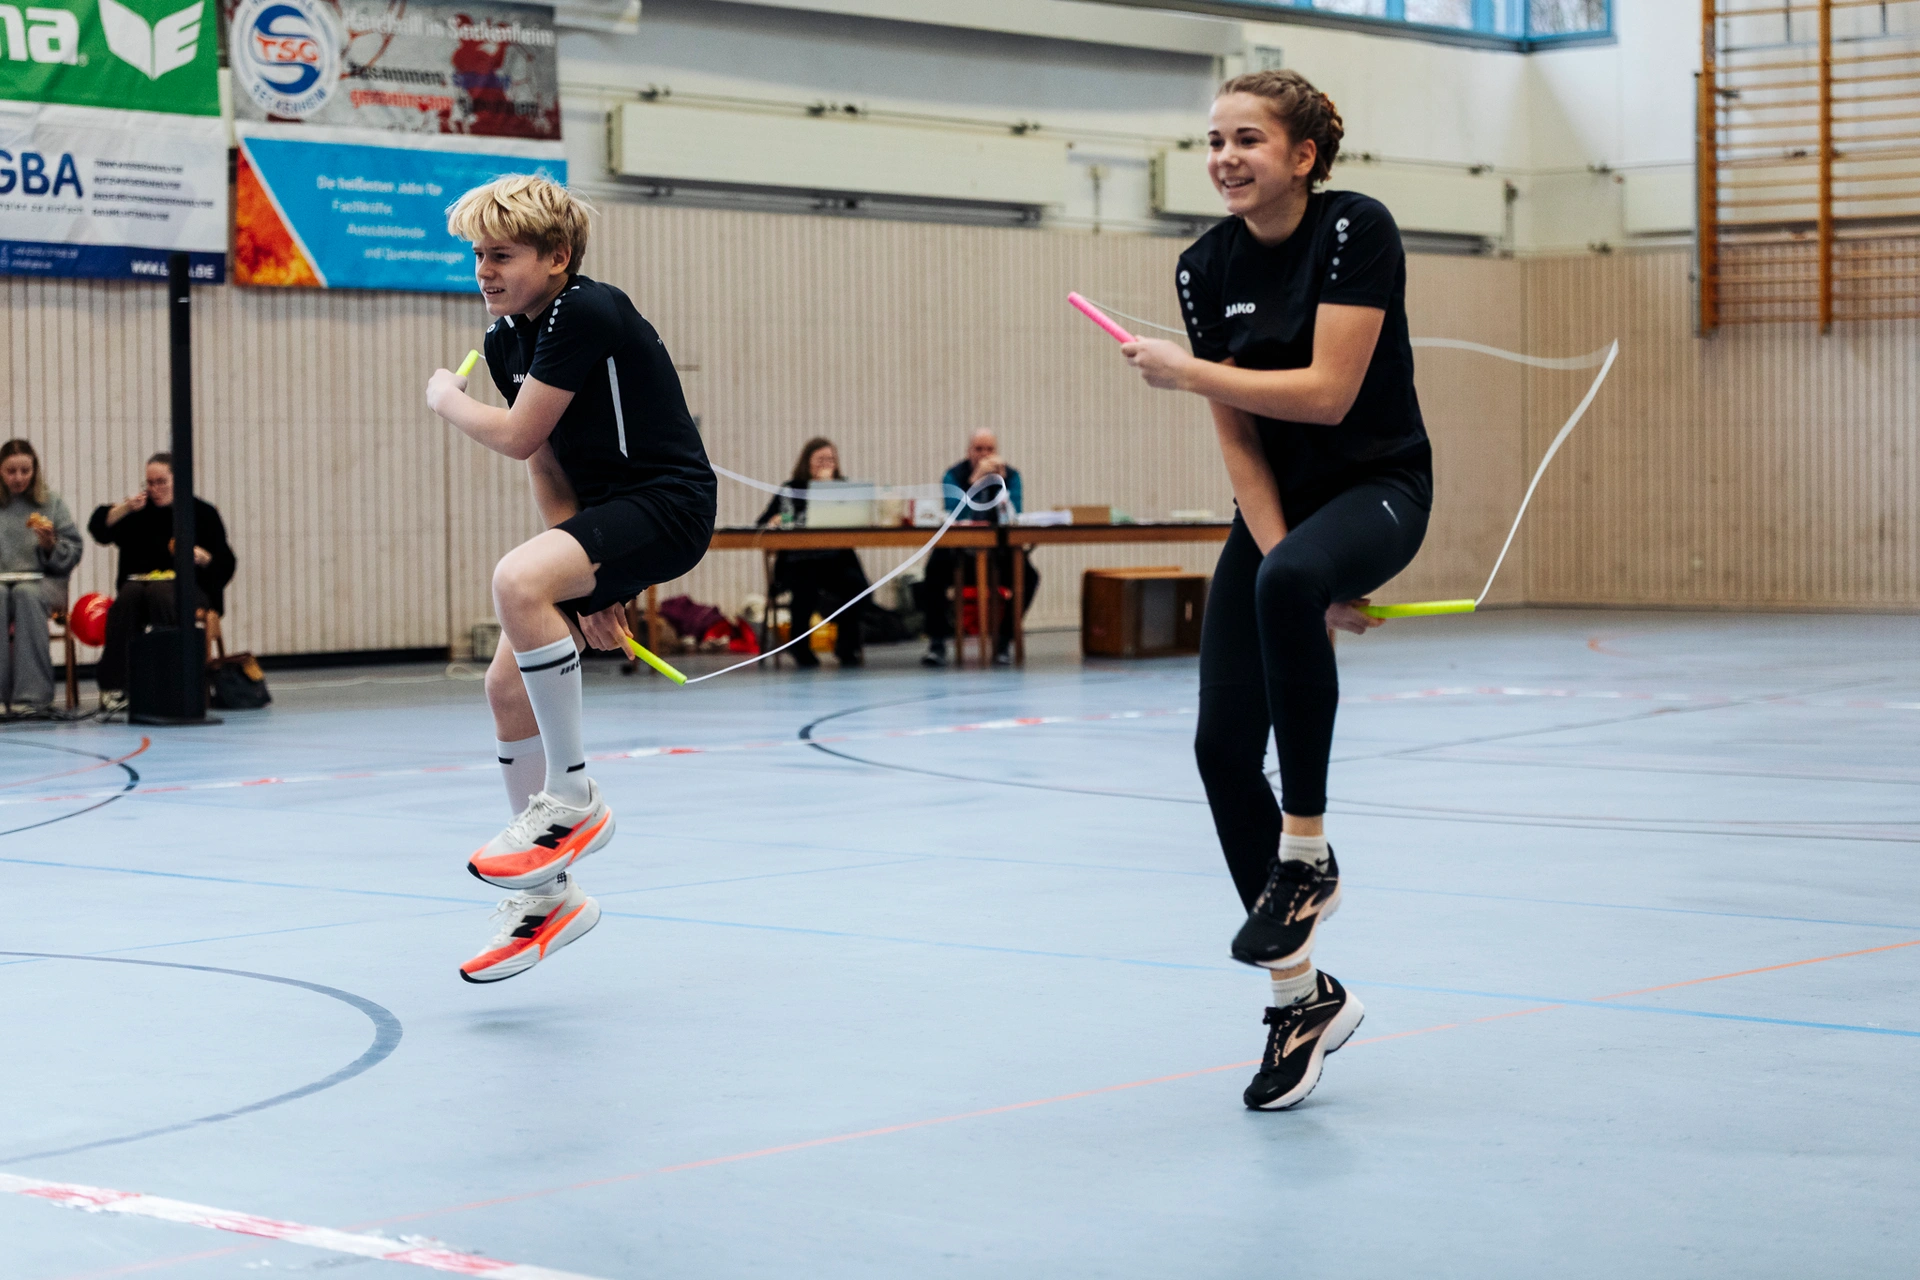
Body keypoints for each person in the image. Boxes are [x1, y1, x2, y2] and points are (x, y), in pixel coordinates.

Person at [1118, 70, 1432, 1111]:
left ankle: (1308, 853)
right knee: (1218, 746)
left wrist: (1190, 371)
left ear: (1302, 155)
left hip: (1379, 487)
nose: (1224, 156)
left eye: (1247, 138)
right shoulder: (1201, 266)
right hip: (1282, 512)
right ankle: (1303, 997)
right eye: (1213, 140)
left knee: (1291, 579)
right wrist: (1295, 566)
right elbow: (1243, 445)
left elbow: (1330, 390)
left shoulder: (1356, 230)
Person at [427, 174, 716, 984]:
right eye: (477, 256)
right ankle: (549, 897)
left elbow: (517, 435)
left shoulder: (586, 309)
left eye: (503, 255)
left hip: (669, 504)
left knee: (515, 583)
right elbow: (548, 463)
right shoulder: (506, 339)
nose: (484, 271)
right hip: (604, 517)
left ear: (557, 257)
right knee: (506, 687)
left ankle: (573, 797)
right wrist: (582, 574)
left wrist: (446, 400)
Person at [86, 452, 237, 710]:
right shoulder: (138, 512)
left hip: (192, 590)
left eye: (161, 482)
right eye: (150, 483)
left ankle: (173, 680)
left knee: (160, 593)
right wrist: (125, 508)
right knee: (129, 596)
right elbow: (99, 528)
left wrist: (204, 558)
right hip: (140, 588)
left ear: (177, 481)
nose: (155, 489)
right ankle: (115, 685)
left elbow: (226, 562)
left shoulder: (202, 512)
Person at [917, 427, 1040, 667]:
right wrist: (974, 482)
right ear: (969, 452)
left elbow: (1014, 518)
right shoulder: (953, 475)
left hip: (997, 551)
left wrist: (1001, 487)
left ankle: (1004, 640)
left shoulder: (1011, 476)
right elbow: (955, 516)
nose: (984, 455)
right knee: (932, 575)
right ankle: (937, 643)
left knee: (1029, 577)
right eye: (979, 449)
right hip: (958, 552)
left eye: (990, 449)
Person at [757, 436, 870, 668]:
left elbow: (858, 519)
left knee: (858, 586)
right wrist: (778, 519)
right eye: (820, 459)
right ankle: (800, 648)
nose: (825, 464)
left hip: (836, 560)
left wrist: (828, 489)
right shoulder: (791, 489)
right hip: (800, 560)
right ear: (807, 462)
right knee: (805, 587)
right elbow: (763, 522)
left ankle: (846, 646)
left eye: (830, 459)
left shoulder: (844, 489)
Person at [0, 440, 83, 716]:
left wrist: (50, 546)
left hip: (44, 581)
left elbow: (73, 551)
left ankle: (32, 698)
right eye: (11, 471)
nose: (18, 478)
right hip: (2, 583)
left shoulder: (51, 503)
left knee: (26, 593)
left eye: (25, 471)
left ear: (35, 470)